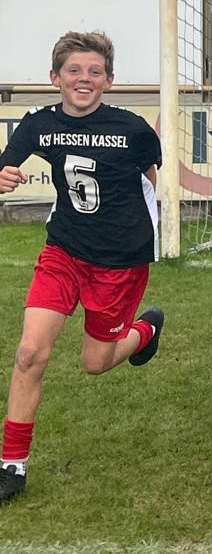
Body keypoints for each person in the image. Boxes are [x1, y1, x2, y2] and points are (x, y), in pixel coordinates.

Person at [0, 32, 165, 505]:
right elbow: (4, 167)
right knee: (29, 353)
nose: (84, 79)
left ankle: (145, 331)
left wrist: (130, 236)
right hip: (64, 252)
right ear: (55, 77)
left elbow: (149, 184)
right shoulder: (39, 124)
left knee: (95, 363)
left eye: (95, 71)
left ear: (109, 80)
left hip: (119, 262)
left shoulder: (133, 129)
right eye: (74, 70)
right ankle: (12, 465)